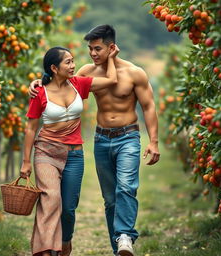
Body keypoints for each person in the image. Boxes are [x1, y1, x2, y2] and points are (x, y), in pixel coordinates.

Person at [29, 24, 160, 256]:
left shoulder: (134, 73)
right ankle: (118, 247)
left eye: (97, 49)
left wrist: (154, 141)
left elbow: (148, 107)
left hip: (128, 136)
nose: (92, 54)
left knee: (126, 188)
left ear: (112, 48)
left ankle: (125, 236)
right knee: (110, 200)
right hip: (101, 139)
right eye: (90, 48)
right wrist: (39, 83)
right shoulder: (87, 72)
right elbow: (58, 83)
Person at [21, 45, 119, 256]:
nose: (74, 66)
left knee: (68, 209)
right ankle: (45, 250)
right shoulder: (40, 92)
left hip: (74, 154)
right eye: (68, 62)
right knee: (51, 199)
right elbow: (30, 127)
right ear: (54, 68)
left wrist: (111, 57)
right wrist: (26, 162)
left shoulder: (78, 85)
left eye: (74, 61)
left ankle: (65, 242)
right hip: (46, 152)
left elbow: (111, 80)